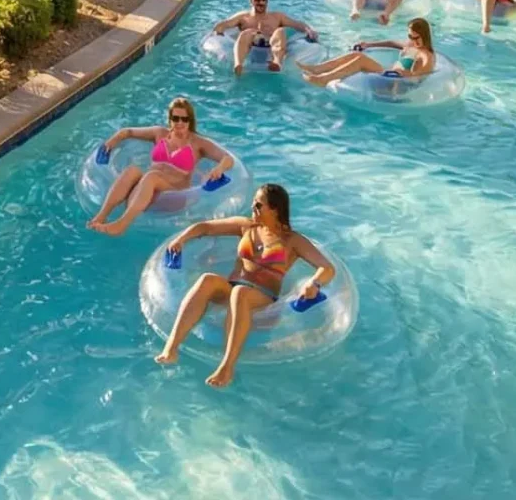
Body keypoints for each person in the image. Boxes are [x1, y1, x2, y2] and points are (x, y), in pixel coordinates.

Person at [154, 183, 336, 388]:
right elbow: (205, 227)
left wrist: (314, 283)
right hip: (233, 287)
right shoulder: (246, 226)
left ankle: (227, 367)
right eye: (253, 203)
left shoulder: (292, 240)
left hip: (263, 296)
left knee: (240, 292)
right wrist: (181, 240)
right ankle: (171, 349)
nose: (253, 208)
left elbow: (327, 268)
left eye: (258, 205)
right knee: (207, 279)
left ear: (275, 209)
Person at [89, 97, 239, 237]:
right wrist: (111, 142)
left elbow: (227, 158)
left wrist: (218, 169)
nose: (180, 123)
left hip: (175, 194)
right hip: (147, 190)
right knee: (132, 171)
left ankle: (122, 224)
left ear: (190, 121)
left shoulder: (198, 143)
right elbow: (127, 132)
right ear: (170, 119)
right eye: (176, 118)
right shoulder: (160, 133)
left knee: (151, 176)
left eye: (184, 119)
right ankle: (101, 216)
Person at [300, 16, 440, 89]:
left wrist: (406, 74)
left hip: (395, 84)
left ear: (424, 35)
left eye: (415, 37)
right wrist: (369, 44)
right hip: (388, 76)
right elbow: (392, 43)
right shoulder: (411, 45)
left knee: (360, 60)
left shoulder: (426, 55)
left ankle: (323, 79)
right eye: (410, 36)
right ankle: (317, 69)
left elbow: (420, 76)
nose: (412, 40)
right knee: (356, 55)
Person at [207, 0, 318, 74]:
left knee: (280, 32)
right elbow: (225, 24)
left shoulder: (276, 16)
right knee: (247, 32)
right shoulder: (243, 17)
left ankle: (276, 63)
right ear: (251, 1)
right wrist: (218, 31)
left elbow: (297, 24)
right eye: (257, 0)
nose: (261, 2)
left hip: (271, 47)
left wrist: (308, 30)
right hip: (250, 48)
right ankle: (238, 65)